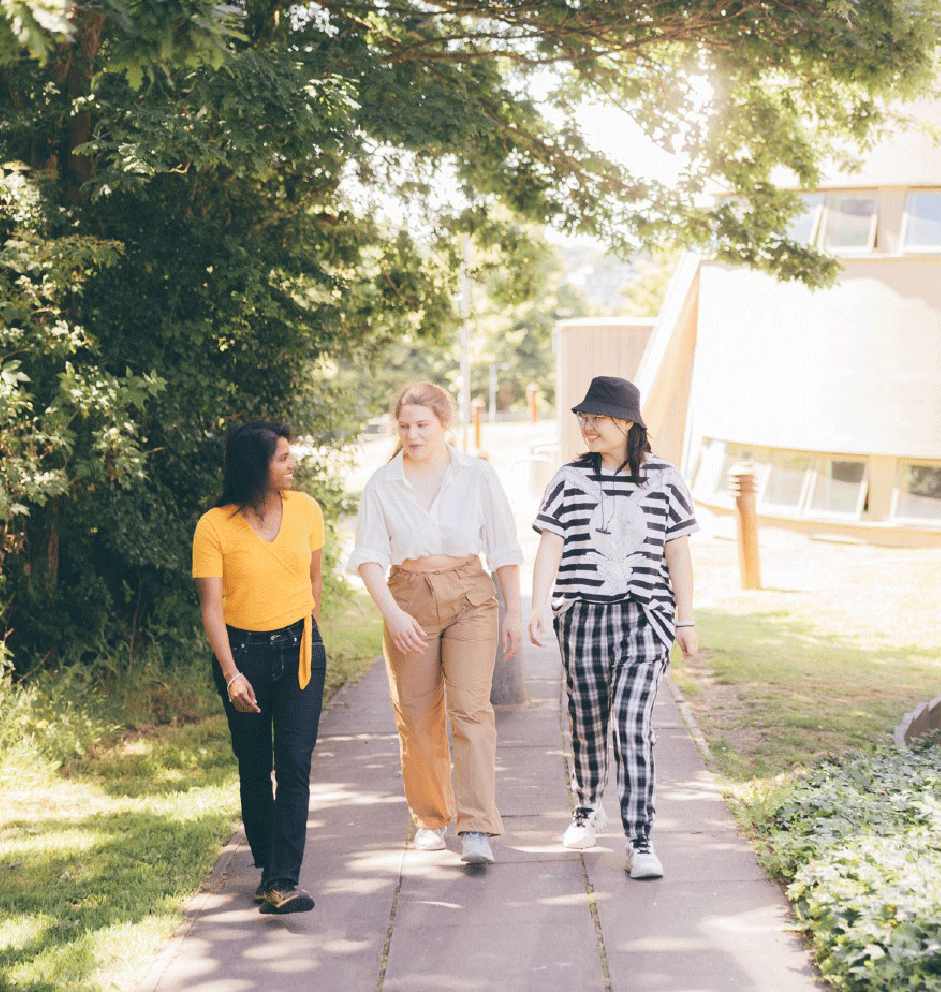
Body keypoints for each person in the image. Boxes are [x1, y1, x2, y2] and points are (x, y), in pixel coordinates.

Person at [527, 376, 698, 879]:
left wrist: (684, 619)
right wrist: (540, 605)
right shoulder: (568, 480)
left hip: (644, 616)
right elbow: (550, 546)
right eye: (583, 416)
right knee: (587, 721)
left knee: (630, 722)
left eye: (596, 417)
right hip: (582, 617)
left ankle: (640, 839)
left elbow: (679, 552)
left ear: (626, 422)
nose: (586, 425)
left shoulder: (664, 479)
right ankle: (586, 808)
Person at [349, 382, 523, 866]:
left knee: (471, 710)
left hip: (470, 594)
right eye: (404, 426)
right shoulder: (384, 483)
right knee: (418, 713)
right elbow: (368, 557)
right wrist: (394, 614)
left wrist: (514, 611)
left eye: (422, 425)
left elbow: (504, 546)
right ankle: (430, 818)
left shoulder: (476, 475)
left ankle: (476, 828)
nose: (412, 434)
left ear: (445, 424)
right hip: (408, 596)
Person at [192, 420, 326, 914]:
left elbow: (313, 586)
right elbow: (211, 607)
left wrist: (304, 636)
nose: (292, 464)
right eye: (282, 458)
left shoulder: (307, 509)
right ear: (256, 466)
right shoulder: (213, 525)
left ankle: (283, 879)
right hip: (241, 656)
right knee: (254, 766)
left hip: (300, 651)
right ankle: (269, 867)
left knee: (293, 762)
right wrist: (231, 673)